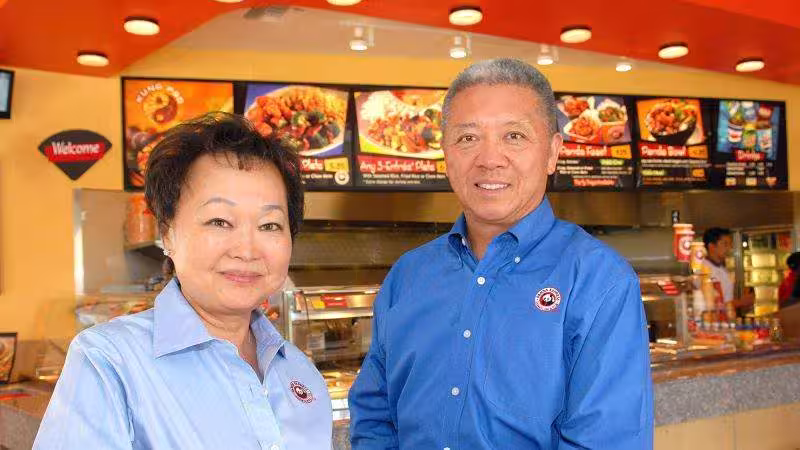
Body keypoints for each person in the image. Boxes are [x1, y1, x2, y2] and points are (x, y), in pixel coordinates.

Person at [348, 58, 653, 449]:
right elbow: (374, 418)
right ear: (446, 153)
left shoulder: (599, 281)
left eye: (514, 136)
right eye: (468, 138)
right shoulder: (407, 276)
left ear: (553, 152)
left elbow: (606, 440)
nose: (490, 159)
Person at [35, 112, 332, 449]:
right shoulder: (108, 363)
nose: (247, 250)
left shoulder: (302, 374)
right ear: (168, 234)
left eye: (269, 225)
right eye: (219, 221)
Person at [702, 227, 752, 312]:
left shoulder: (722, 268)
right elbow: (711, 305)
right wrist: (741, 302)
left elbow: (727, 299)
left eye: (730, 244)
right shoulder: (704, 271)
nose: (729, 248)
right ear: (711, 247)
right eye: (725, 244)